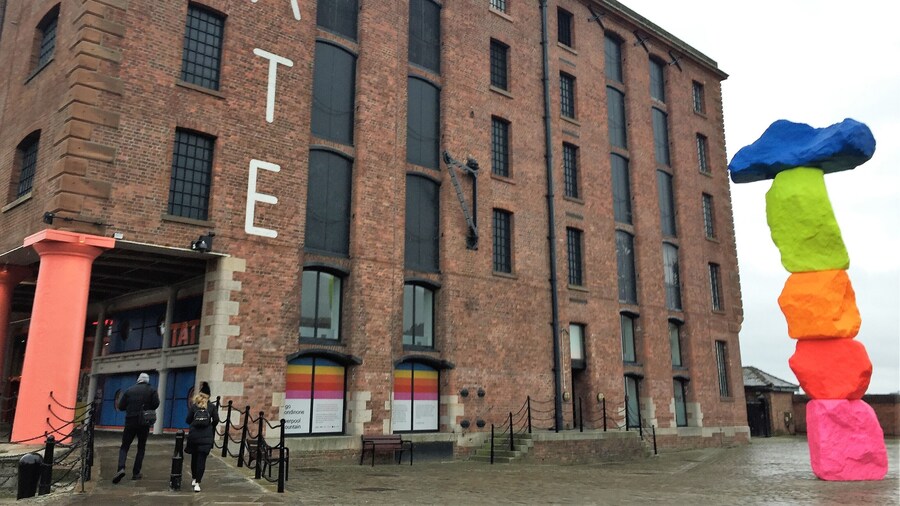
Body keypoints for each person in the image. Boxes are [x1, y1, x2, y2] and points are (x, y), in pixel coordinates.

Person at [113, 372, 160, 484]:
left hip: (130, 421)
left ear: (138, 380)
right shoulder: (152, 390)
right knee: (141, 447)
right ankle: (136, 473)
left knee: (124, 446)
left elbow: (121, 406)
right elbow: (156, 404)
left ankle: (121, 468)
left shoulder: (129, 390)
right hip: (144, 422)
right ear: (147, 380)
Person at [185, 382, 219, 493]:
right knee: (201, 460)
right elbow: (216, 420)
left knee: (194, 459)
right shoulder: (212, 407)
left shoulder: (195, 406)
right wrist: (210, 426)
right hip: (206, 437)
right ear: (209, 395)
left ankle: (194, 478)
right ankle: (198, 483)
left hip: (194, 437)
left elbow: (188, 420)